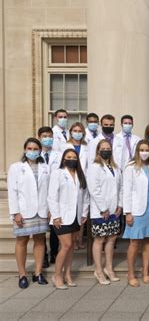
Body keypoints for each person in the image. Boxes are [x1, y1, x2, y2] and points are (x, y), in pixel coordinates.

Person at [8, 138, 50, 289]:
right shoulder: (16, 167)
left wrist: (50, 209)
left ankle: (38, 272)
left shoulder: (45, 167)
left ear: (40, 150)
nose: (32, 151)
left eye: (35, 149)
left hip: (42, 210)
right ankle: (22, 274)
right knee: (22, 241)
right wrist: (15, 213)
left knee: (40, 240)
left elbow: (49, 190)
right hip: (24, 211)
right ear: (25, 150)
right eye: (30, 148)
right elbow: (12, 191)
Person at [48, 149, 89, 289]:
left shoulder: (80, 175)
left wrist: (84, 213)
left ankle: (68, 274)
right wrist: (56, 216)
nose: (71, 159)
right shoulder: (57, 173)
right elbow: (52, 196)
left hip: (76, 217)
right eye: (68, 157)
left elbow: (85, 197)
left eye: (74, 157)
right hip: (62, 217)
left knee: (71, 246)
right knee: (65, 245)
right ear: (63, 159)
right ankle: (57, 276)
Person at [122, 140, 149, 287]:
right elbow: (127, 190)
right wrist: (128, 212)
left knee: (147, 242)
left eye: (147, 150)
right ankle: (131, 273)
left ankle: (145, 272)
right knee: (134, 242)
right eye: (141, 150)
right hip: (136, 210)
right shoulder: (130, 167)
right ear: (137, 151)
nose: (144, 152)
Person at [87, 139, 123, 285]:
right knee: (100, 239)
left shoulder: (115, 167)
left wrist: (120, 205)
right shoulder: (94, 167)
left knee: (112, 238)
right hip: (101, 211)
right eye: (103, 148)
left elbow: (120, 187)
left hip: (114, 210)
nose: (106, 150)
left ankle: (109, 268)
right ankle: (99, 270)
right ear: (98, 150)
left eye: (108, 148)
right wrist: (103, 209)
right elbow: (94, 189)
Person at [61, 122, 89, 250]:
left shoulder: (87, 146)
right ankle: (72, 240)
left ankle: (79, 239)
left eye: (80, 131)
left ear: (83, 133)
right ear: (71, 132)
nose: (77, 133)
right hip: (69, 178)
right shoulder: (64, 146)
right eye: (75, 130)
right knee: (72, 208)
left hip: (83, 179)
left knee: (82, 210)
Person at [38, 127, 61, 267]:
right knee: (41, 230)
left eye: (50, 136)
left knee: (54, 228)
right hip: (40, 196)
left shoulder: (59, 155)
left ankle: (54, 253)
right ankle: (44, 255)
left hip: (55, 195)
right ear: (39, 137)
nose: (48, 138)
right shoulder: (34, 154)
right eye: (45, 136)